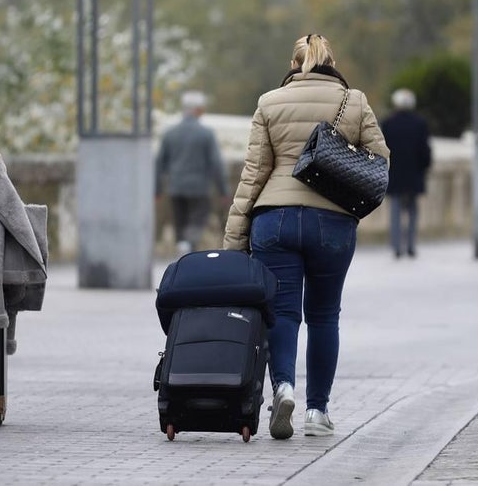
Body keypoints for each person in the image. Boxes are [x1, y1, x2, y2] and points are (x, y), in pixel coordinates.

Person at [223, 34, 389, 440]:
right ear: (331, 61)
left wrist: (233, 239)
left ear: (294, 64)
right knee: (323, 315)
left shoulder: (269, 102)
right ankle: (318, 411)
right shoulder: (356, 101)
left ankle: (282, 387)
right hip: (331, 222)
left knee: (281, 313)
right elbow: (380, 160)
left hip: (274, 219)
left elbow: (253, 174)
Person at [154, 90, 229, 257]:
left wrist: (157, 189)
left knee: (180, 221)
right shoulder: (206, 134)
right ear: (198, 110)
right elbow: (216, 163)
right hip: (199, 188)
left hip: (176, 187)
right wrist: (223, 190)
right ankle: (189, 245)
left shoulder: (170, 133)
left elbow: (159, 163)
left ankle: (182, 247)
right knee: (197, 219)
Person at [380, 88, 432, 258]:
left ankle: (396, 246)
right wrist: (424, 168)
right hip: (414, 173)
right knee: (412, 210)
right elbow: (425, 151)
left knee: (395, 210)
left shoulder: (388, 123)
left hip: (394, 173)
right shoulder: (420, 123)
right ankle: (411, 245)